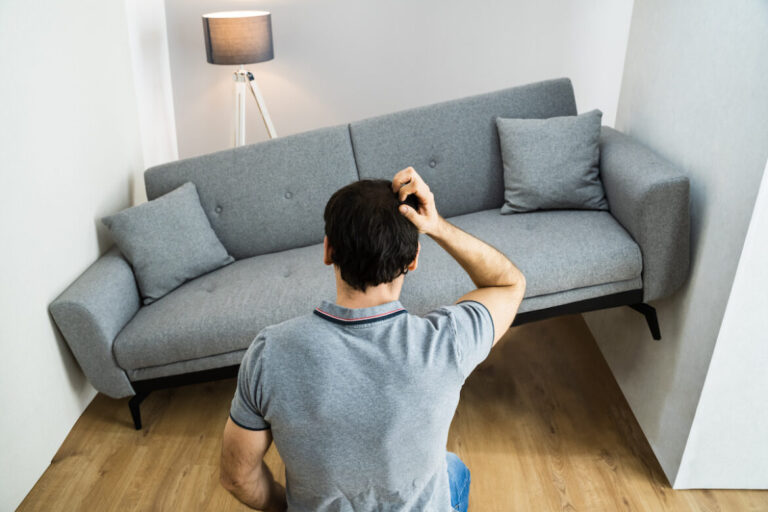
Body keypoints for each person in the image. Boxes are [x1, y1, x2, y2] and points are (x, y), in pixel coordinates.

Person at [220, 167, 526, 511]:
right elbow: (509, 284)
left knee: (449, 465)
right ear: (412, 261)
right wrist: (436, 224)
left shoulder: (268, 352)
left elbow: (236, 477)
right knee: (452, 467)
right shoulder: (447, 342)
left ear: (328, 251)